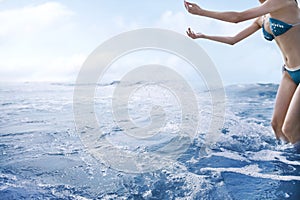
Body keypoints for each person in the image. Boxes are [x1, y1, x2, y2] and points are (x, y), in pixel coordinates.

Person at [184, 0, 300, 150]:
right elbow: (233, 40)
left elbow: (237, 17)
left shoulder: (283, 1)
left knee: (289, 129)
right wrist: (204, 36)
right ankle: (288, 162)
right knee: (276, 126)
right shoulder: (263, 17)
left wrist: (202, 12)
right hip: (289, 73)